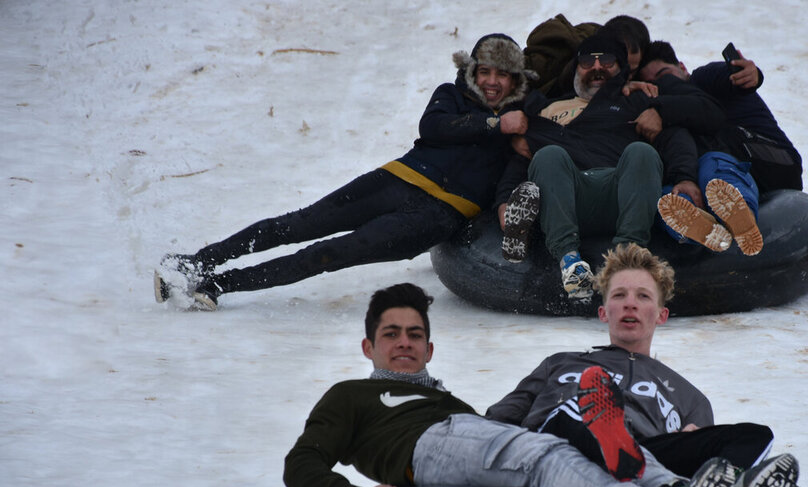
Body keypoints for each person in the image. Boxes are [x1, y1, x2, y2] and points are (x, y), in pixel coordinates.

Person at [283, 282, 795, 487]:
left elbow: (489, 431)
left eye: (415, 334)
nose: (404, 343)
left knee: (573, 453)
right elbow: (300, 463)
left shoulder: (451, 400)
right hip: (426, 447)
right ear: (368, 347)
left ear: (430, 348)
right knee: (547, 455)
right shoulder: (351, 396)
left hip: (468, 435)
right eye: (391, 334)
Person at [154, 34, 537, 310]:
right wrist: (494, 126)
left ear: (516, 80)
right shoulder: (452, 96)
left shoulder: (527, 120)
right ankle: (197, 261)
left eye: (502, 75)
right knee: (297, 224)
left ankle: (219, 285)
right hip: (398, 179)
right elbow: (433, 128)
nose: (492, 82)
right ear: (472, 71)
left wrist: (517, 133)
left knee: (327, 254)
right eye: (485, 71)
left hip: (437, 216)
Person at [485, 243, 803, 487]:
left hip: (645, 459)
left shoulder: (688, 396)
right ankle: (612, 444)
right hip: (556, 445)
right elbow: (498, 421)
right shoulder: (562, 362)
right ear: (603, 312)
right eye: (619, 295)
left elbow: (700, 451)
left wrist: (692, 441)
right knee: (576, 411)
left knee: (756, 435)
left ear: (661, 315)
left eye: (643, 296)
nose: (630, 305)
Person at [497, 31, 724, 301]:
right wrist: (504, 202)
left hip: (623, 193)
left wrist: (684, 177)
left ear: (622, 69)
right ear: (575, 69)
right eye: (587, 62)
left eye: (606, 61)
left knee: (641, 152)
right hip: (570, 194)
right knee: (548, 156)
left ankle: (626, 258)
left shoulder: (637, 100)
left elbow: (675, 139)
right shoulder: (546, 109)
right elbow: (521, 160)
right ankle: (569, 262)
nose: (596, 68)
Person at [637, 40, 804, 256]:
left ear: (682, 67)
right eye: (650, 83)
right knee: (672, 185)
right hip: (725, 170)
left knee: (709, 154)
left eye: (665, 75)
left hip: (771, 160)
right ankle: (698, 224)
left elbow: (730, 76)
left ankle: (740, 213)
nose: (661, 85)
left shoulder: (701, 79)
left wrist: (751, 74)